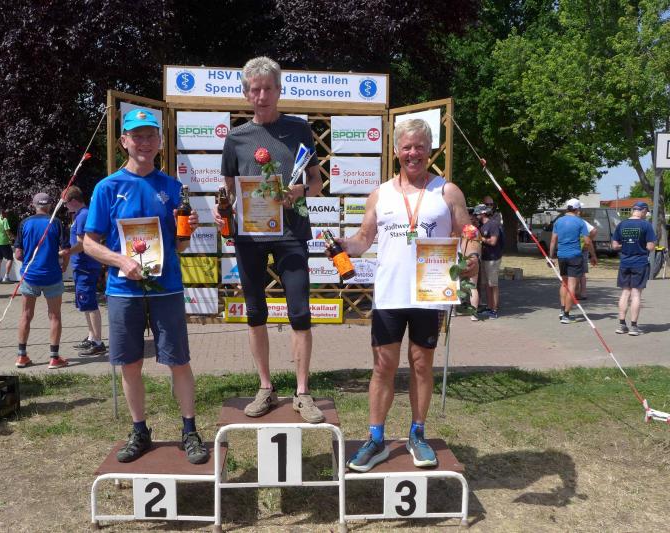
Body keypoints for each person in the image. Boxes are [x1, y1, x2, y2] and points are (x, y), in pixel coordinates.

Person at [339, 118, 479, 472]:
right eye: (407, 147)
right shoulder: (380, 194)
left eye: (419, 147)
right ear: (396, 151)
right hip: (389, 295)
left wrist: (473, 256)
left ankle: (418, 434)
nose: (413, 153)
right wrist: (344, 246)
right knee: (383, 366)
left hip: (428, 293)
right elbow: (363, 239)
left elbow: (468, 232)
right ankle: (376, 439)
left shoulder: (447, 191)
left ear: (429, 150)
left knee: (421, 365)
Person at [83, 108, 209, 464]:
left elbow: (179, 246)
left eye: (150, 135)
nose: (144, 142)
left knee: (179, 361)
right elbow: (89, 243)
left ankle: (190, 430)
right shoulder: (107, 188)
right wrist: (121, 261)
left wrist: (188, 231)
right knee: (130, 364)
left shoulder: (173, 187)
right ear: (124, 141)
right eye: (137, 136)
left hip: (166, 288)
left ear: (160, 141)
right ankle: (139, 430)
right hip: (123, 291)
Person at [216, 56, 325, 423]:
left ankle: (302, 392)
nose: (261, 95)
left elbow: (316, 182)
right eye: (255, 89)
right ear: (246, 94)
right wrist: (222, 210)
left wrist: (299, 192)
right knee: (255, 312)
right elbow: (230, 192)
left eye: (267, 88)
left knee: (300, 313)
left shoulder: (299, 129)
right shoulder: (236, 138)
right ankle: (265, 387)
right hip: (250, 235)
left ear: (279, 90)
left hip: (291, 232)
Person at [13, 193, 70, 369]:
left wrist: (30, 262)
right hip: (52, 275)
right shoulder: (56, 223)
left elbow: (18, 254)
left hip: (30, 275)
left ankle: (21, 356)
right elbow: (66, 250)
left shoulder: (25, 223)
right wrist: (64, 265)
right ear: (50, 205)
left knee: (26, 315)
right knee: (54, 316)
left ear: (34, 205)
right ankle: (54, 358)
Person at [60, 185, 105, 356]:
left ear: (73, 201)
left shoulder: (83, 215)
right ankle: (92, 336)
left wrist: (66, 252)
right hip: (82, 266)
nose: (65, 207)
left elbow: (82, 244)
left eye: (65, 203)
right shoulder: (80, 215)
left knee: (89, 303)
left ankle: (98, 342)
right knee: (84, 303)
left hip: (86, 266)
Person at [549, 198, 597, 324]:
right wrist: (593, 255)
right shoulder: (580, 222)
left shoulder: (558, 221)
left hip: (561, 255)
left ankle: (562, 310)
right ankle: (566, 315)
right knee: (572, 285)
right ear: (577, 209)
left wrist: (550, 257)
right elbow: (587, 241)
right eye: (580, 208)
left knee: (564, 283)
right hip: (575, 256)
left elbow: (553, 240)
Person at [612, 201, 656, 336]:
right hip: (640, 262)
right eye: (646, 212)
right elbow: (650, 247)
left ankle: (621, 325)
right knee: (636, 294)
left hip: (625, 262)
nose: (646, 214)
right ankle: (634, 327)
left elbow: (614, 245)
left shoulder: (622, 224)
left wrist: (625, 245)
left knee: (625, 292)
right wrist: (641, 245)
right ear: (642, 210)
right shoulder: (646, 225)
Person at [476, 204, 504, 319]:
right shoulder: (482, 226)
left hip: (493, 258)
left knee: (493, 284)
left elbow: (493, 241)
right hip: (484, 257)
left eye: (477, 213)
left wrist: (480, 238)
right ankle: (489, 307)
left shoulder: (493, 224)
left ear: (483, 213)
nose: (476, 215)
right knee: (486, 284)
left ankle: (494, 310)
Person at [577, 219, 598, 300]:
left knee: (573, 273)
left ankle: (576, 292)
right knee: (582, 273)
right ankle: (583, 292)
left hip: (572, 248)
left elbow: (594, 230)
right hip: (582, 248)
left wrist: (588, 239)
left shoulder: (564, 220)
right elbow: (594, 230)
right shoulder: (581, 221)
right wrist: (589, 239)